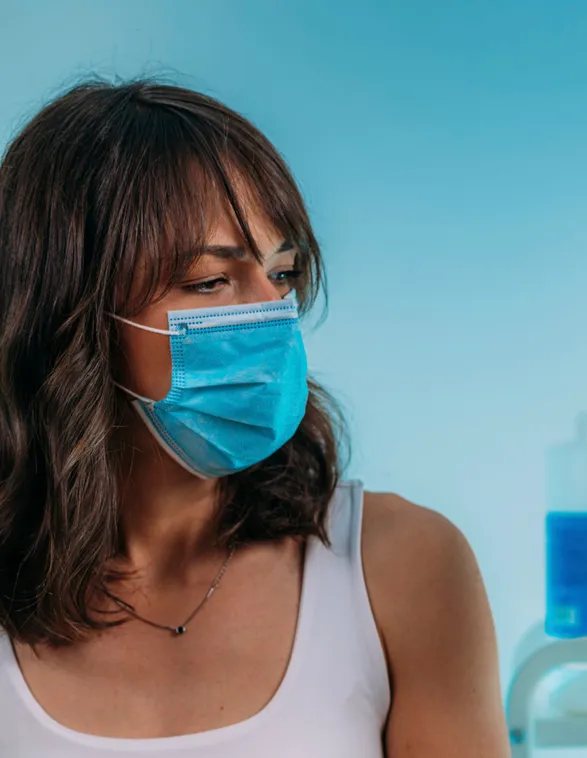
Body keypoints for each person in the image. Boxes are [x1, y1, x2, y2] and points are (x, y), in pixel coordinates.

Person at [0, 80, 510, 756]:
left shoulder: (400, 567)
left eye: (284, 274)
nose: (271, 317)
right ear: (67, 318)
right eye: (211, 282)